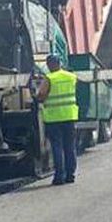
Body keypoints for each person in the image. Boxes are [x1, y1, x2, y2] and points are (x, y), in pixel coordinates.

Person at [35, 53, 79, 185]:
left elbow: (42, 95)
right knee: (70, 146)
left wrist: (36, 97)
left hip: (54, 118)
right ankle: (70, 175)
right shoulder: (71, 77)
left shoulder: (49, 78)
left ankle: (59, 176)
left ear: (49, 64)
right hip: (70, 116)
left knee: (57, 147)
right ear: (60, 63)